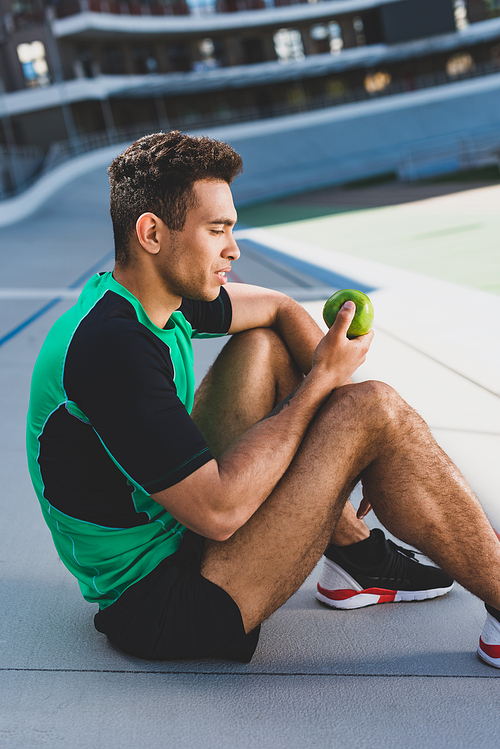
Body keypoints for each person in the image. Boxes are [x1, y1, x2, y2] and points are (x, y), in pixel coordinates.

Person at [27, 131, 500, 667]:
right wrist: (330, 391)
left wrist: (364, 447)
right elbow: (219, 513)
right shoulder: (111, 349)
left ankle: (356, 557)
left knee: (264, 347)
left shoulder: (149, 298)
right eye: (216, 230)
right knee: (375, 409)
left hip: (176, 536)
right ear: (152, 233)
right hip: (164, 606)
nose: (233, 248)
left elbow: (276, 307)